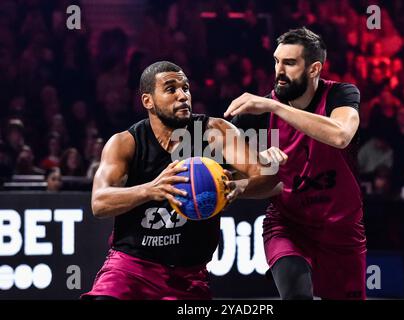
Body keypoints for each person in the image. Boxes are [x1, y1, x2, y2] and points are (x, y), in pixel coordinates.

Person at [81, 61, 282, 300]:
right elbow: (99, 203)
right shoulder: (126, 143)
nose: (183, 95)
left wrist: (238, 187)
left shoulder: (214, 132)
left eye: (185, 88)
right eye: (171, 89)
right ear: (148, 101)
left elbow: (268, 178)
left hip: (189, 277)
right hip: (130, 269)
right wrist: (151, 189)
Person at [225, 27, 366, 300]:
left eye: (289, 63)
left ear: (314, 69)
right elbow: (239, 178)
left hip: (343, 229)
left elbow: (340, 135)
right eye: (277, 61)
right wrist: (254, 165)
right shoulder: (257, 113)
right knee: (296, 296)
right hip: (288, 225)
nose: (279, 70)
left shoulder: (342, 95)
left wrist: (276, 107)